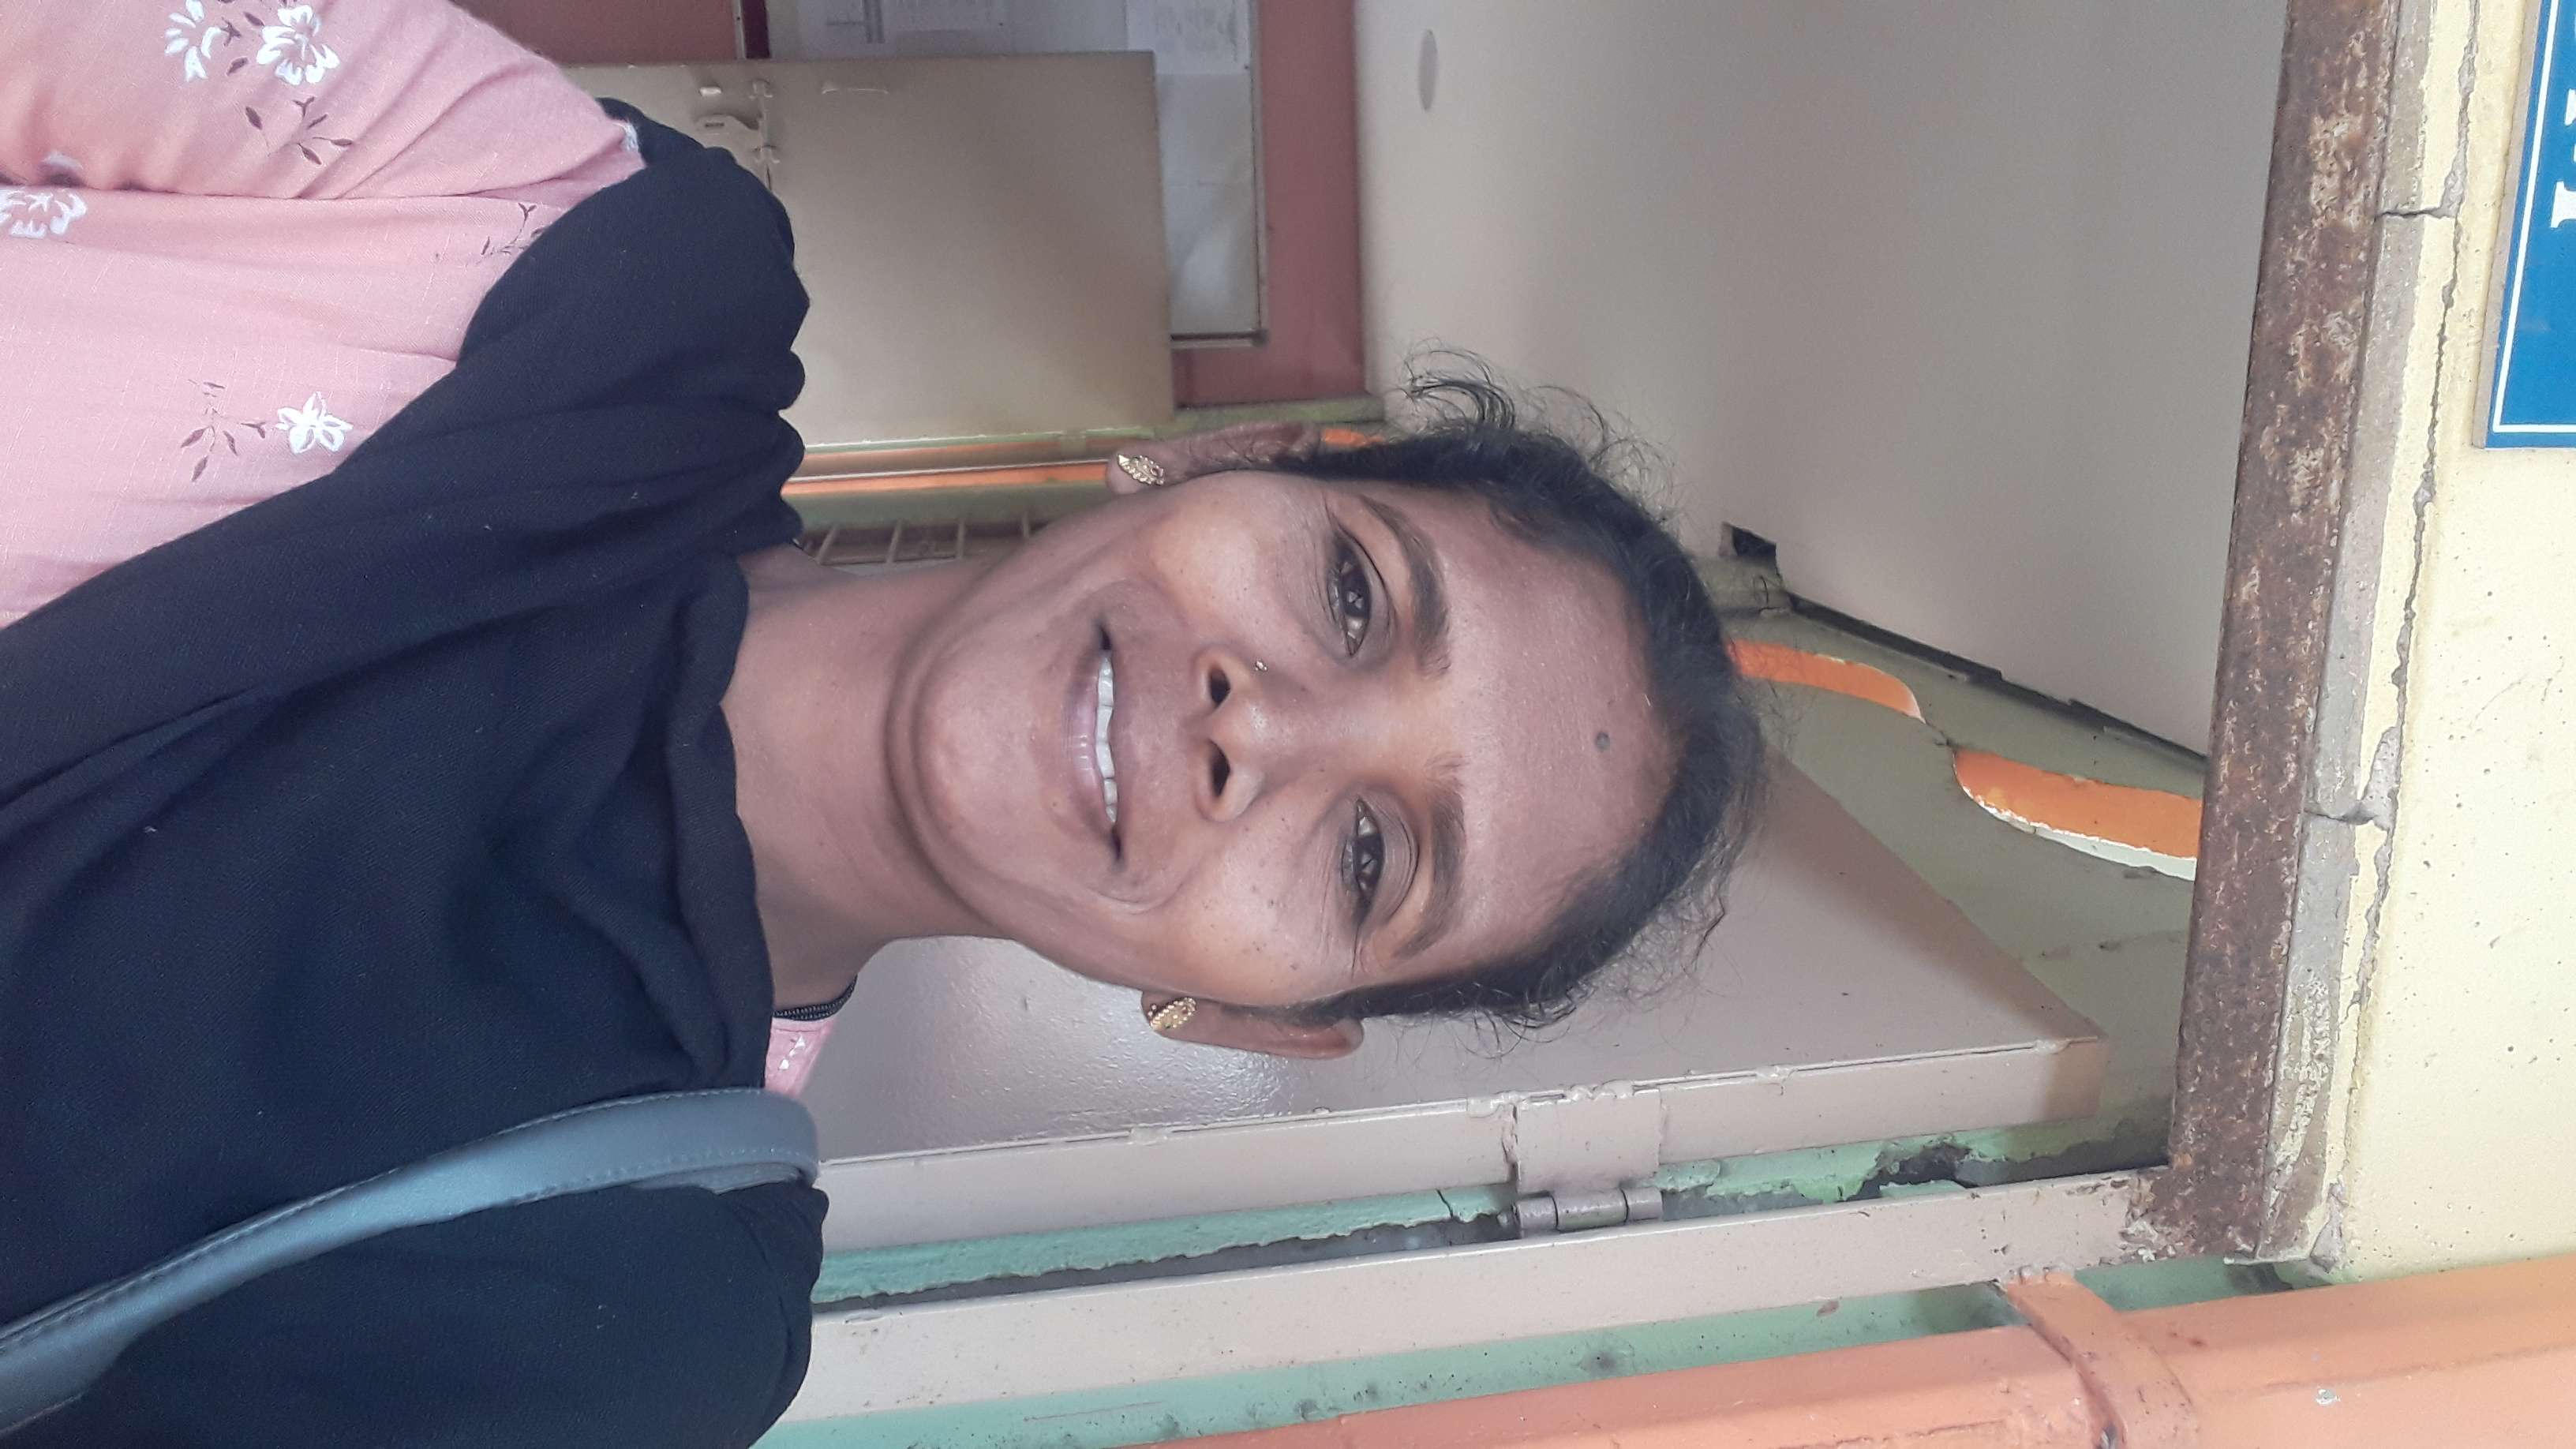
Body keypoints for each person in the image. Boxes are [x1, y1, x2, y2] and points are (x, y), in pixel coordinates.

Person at [0, 3, 1761, 1444]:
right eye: (1356, 596)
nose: (1266, 734)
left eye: (1373, 857)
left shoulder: (636, 1302)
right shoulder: (592, 259)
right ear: (1230, 456)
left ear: (1257, 1014)